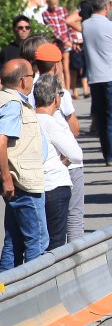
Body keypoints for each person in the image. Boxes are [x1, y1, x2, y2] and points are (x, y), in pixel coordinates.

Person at [0, 59, 48, 270]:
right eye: (31, 76)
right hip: (23, 182)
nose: (33, 80)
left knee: (14, 240)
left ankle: (6, 286)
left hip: (19, 180)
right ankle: (36, 287)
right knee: (37, 240)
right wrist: (6, 178)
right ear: (22, 81)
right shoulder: (12, 104)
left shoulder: (9, 99)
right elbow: (1, 141)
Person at [34, 74, 83, 246]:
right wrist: (63, 161)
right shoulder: (50, 122)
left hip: (32, 186)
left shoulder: (29, 118)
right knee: (56, 241)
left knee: (35, 239)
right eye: (61, 94)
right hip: (53, 185)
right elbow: (76, 154)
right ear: (55, 98)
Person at [81, 0, 112, 166]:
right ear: (107, 6)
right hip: (111, 74)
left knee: (101, 118)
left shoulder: (85, 25)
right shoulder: (110, 25)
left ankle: (109, 154)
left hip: (94, 76)